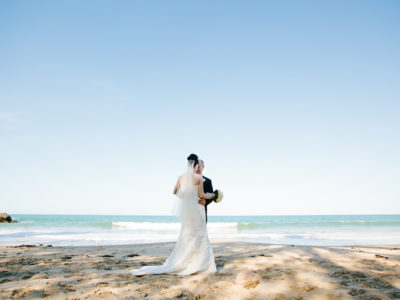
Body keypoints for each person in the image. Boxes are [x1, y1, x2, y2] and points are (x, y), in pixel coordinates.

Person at [130, 154, 217, 276]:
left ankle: (185, 261)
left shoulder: (181, 177)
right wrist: (212, 195)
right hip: (197, 211)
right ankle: (200, 264)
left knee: (186, 235)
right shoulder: (198, 178)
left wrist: (187, 197)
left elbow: (175, 191)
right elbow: (202, 195)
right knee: (199, 235)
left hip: (190, 212)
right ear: (196, 165)